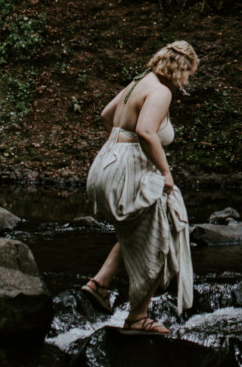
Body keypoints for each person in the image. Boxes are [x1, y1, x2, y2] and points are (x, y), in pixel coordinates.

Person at [80, 40, 199, 335]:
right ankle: (137, 317)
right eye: (189, 74)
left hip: (105, 164)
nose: (188, 81)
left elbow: (107, 116)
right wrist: (164, 172)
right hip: (126, 169)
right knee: (161, 231)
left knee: (140, 229)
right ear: (182, 69)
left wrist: (120, 150)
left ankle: (99, 283)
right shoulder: (160, 91)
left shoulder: (138, 83)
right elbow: (146, 131)